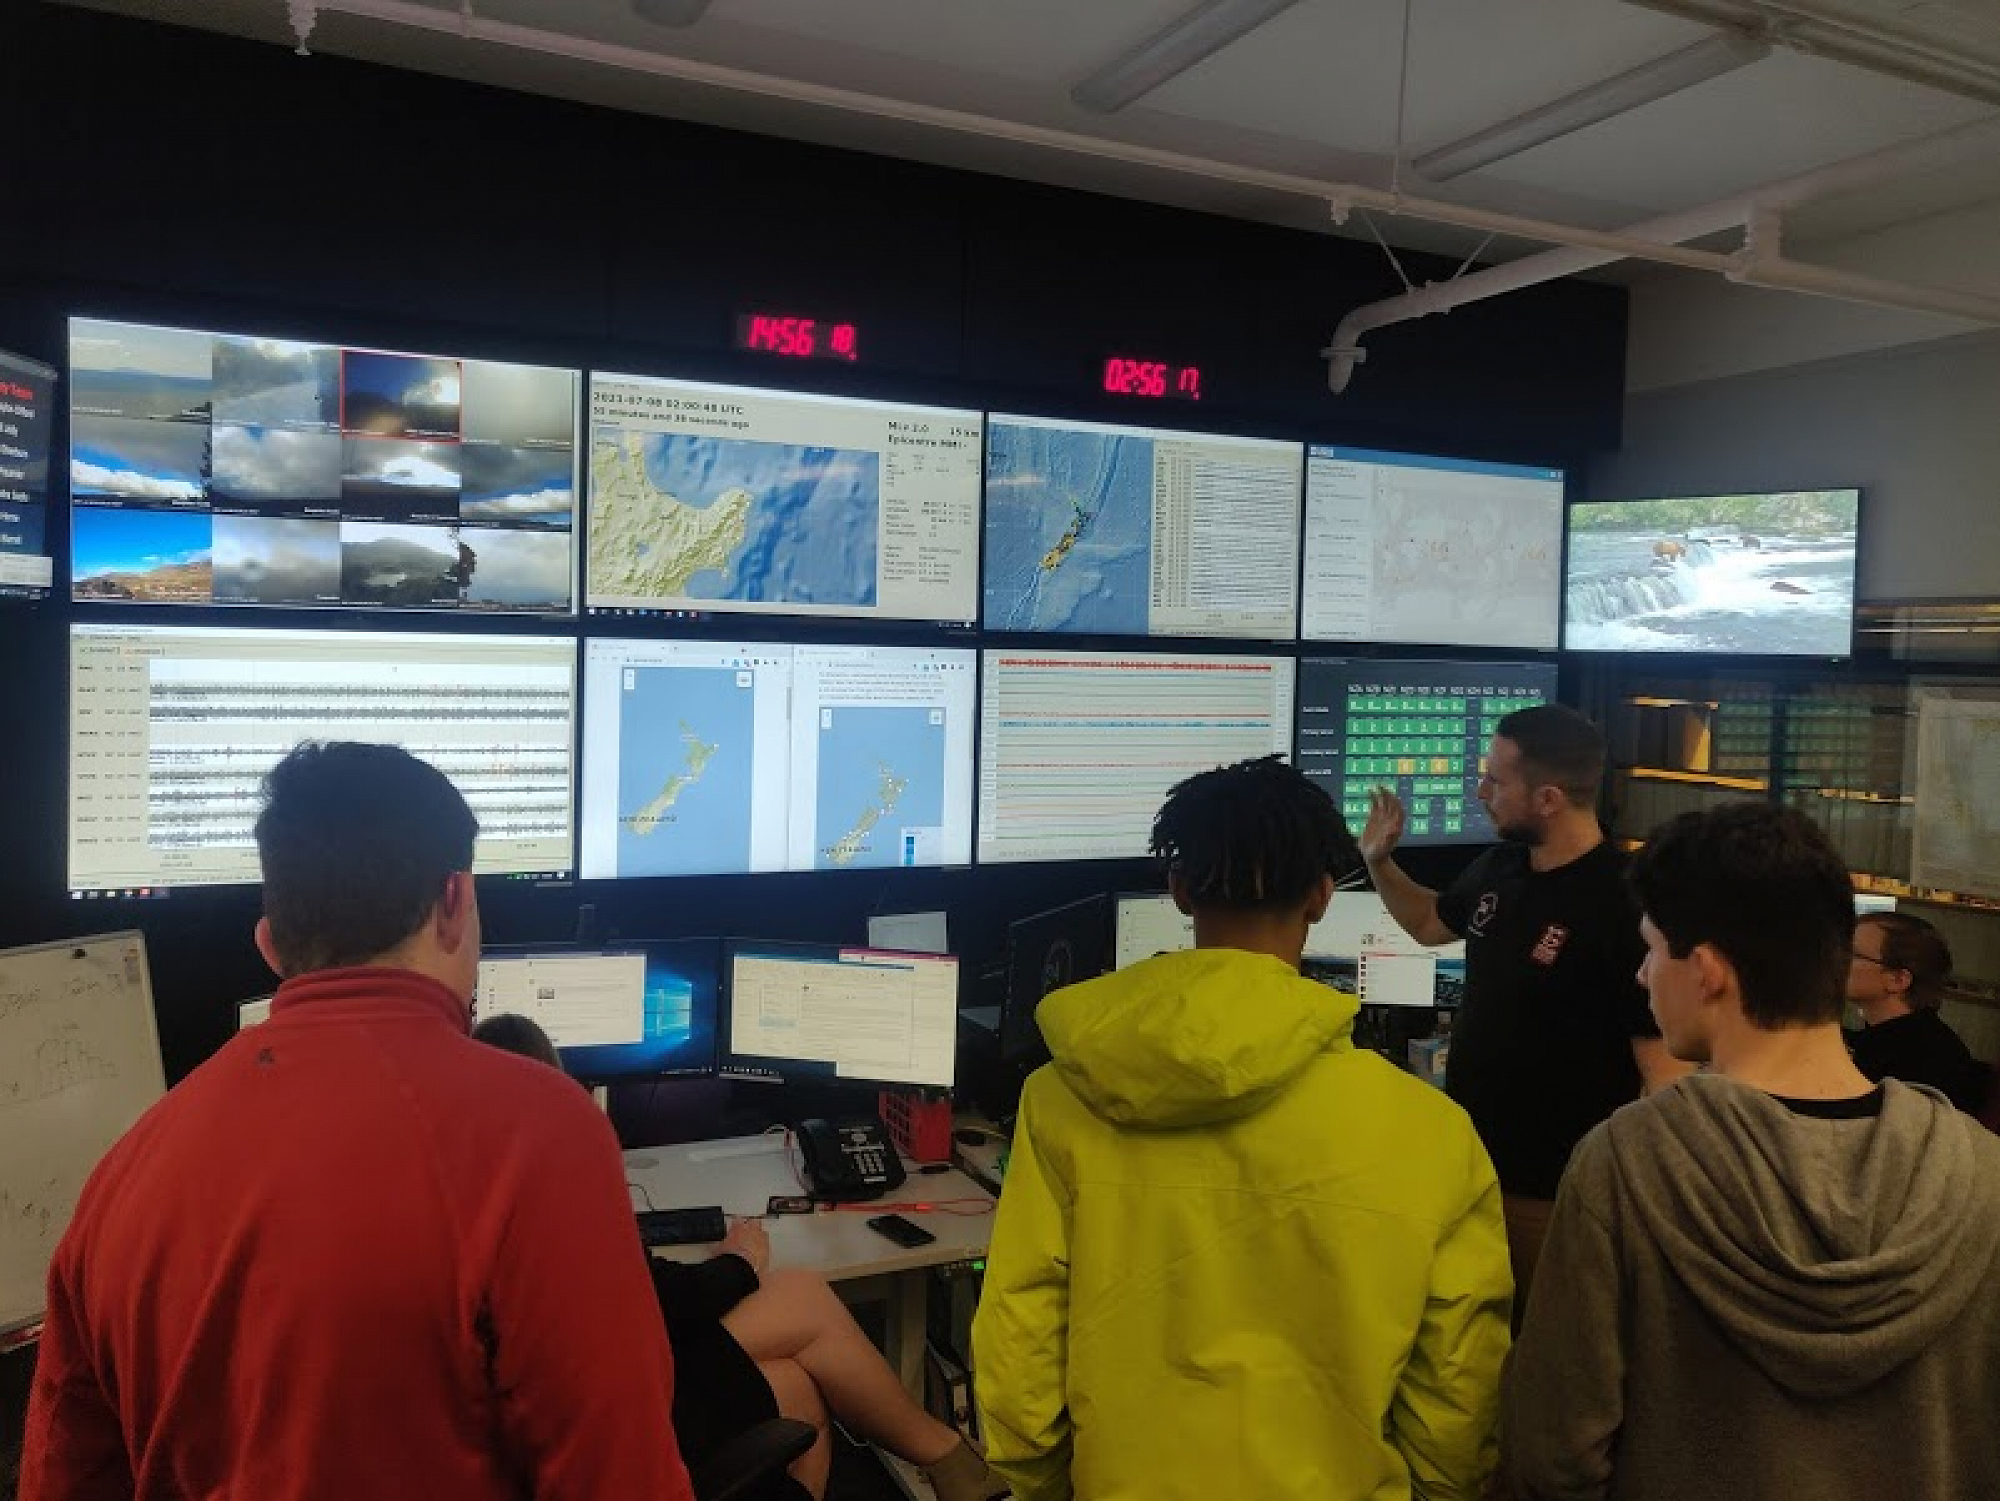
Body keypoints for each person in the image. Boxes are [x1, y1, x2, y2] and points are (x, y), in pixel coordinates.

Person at [21, 742, 696, 1501]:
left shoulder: (122, 1174)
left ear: (271, 944)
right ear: (456, 901)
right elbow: (623, 1479)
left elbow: (64, 1477)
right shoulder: (541, 1132)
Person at [973, 755, 1512, 1501]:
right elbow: (1458, 1382)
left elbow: (1021, 1334)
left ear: (1180, 888)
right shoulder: (1434, 1130)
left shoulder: (1060, 1097)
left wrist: (1042, 1483)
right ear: (1322, 896)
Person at [1507, 803, 2000, 1501]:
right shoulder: (1981, 1171)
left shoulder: (1628, 1163)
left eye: (1652, 950)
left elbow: (1554, 1454)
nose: (1643, 975)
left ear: (1708, 970)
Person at [471, 1013, 1004, 1501]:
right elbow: (661, 1297)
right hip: (617, 1401)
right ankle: (950, 1458)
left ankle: (947, 1461)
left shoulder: (477, 1186)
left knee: (798, 1387)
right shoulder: (553, 1188)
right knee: (802, 1299)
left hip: (561, 1406)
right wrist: (740, 1263)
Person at [1360, 702, 1686, 1308]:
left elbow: (1664, 1072)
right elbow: (1429, 924)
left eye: (1495, 780)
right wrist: (1379, 863)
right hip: (1471, 1169)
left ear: (1549, 799)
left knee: (1542, 1341)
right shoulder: (1499, 867)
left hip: (1557, 1192)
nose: (1481, 792)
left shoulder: (1623, 901)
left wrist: (1632, 1196)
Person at [1845, 910, 1992, 1111]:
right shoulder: (1881, 1039)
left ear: (1898, 980)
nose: (1835, 960)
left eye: (1852, 954)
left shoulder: (1927, 1061)